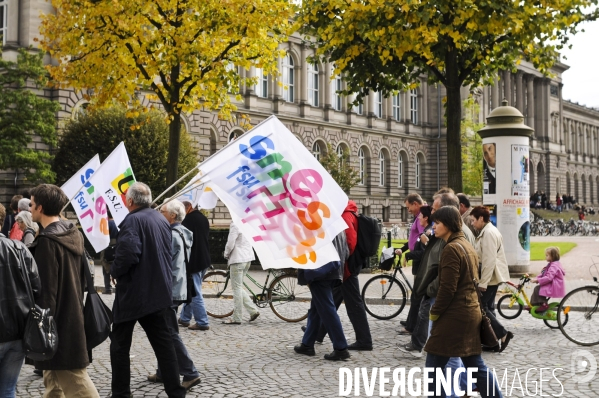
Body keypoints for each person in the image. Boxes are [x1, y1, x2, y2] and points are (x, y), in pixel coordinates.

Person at [110, 182, 186, 398]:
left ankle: (121, 393)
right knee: (164, 346)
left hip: (134, 294)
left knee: (119, 347)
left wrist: (114, 270)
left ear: (130, 201)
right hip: (158, 292)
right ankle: (176, 392)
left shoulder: (132, 220)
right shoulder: (159, 218)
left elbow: (129, 254)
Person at [28, 184, 100, 397]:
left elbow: (46, 291)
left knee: (75, 379)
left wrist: (41, 328)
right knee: (53, 381)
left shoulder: (47, 242)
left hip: (59, 322)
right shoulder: (72, 232)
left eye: (31, 204)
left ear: (40, 208)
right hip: (71, 313)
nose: (30, 208)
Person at [424, 206, 503, 398]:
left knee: (433, 369)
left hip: (454, 317)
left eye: (438, 222)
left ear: (449, 225)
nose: (434, 226)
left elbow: (447, 288)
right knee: (475, 365)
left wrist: (435, 312)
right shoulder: (466, 244)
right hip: (469, 313)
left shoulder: (452, 249)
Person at [147, 199, 202, 389]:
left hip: (168, 290)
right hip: (177, 288)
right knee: (166, 331)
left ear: (172, 215)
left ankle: (190, 372)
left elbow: (164, 264)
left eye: (161, 211)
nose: (158, 214)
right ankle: (164, 371)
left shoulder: (171, 235)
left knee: (169, 333)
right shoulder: (181, 232)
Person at [313, 200, 373, 350]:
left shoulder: (345, 216)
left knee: (353, 304)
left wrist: (342, 260)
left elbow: (350, 242)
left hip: (347, 266)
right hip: (347, 265)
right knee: (333, 298)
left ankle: (364, 341)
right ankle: (318, 332)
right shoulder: (348, 213)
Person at [0, 203, 41, 397]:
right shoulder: (19, 248)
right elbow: (36, 288)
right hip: (18, 331)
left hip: (14, 331)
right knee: (8, 389)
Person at [295, 232, 351, 361]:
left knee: (327, 310)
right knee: (316, 309)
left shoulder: (319, 226)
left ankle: (341, 348)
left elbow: (310, 249)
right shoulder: (336, 225)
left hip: (320, 274)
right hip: (332, 272)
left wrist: (309, 273)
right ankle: (307, 344)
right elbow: (346, 251)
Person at [471, 206, 513, 352]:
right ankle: (492, 341)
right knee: (487, 308)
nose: (472, 223)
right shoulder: (487, 231)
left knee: (481, 308)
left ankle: (502, 334)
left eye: (473, 220)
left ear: (481, 218)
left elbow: (489, 260)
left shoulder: (488, 233)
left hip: (490, 278)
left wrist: (483, 283)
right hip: (492, 277)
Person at [394, 193, 425, 335]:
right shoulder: (418, 218)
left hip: (420, 262)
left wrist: (409, 254)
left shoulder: (421, 218)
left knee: (417, 296)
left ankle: (412, 326)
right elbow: (414, 239)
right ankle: (410, 321)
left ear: (415, 204)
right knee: (416, 295)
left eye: (408, 207)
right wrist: (404, 248)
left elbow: (422, 242)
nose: (408, 210)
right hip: (417, 260)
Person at [179, 201, 211, 331]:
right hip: (204, 259)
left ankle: (202, 321)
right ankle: (185, 318)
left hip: (194, 261)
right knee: (191, 290)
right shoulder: (203, 218)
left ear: (189, 207)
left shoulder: (187, 221)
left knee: (195, 292)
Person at [222, 220, 260, 324]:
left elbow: (230, 243)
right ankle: (253, 311)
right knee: (238, 286)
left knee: (236, 288)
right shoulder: (247, 222)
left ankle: (237, 317)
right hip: (247, 258)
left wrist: (226, 254)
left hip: (238, 259)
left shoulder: (235, 223)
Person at [530, 247, 566, 312]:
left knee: (538, 289)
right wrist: (536, 279)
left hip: (554, 285)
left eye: (547, 255)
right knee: (538, 288)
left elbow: (549, 277)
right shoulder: (551, 264)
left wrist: (538, 280)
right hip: (552, 283)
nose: (545, 257)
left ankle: (543, 304)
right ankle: (534, 306)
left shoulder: (554, 266)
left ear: (552, 256)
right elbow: (543, 274)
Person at [99, 210, 118, 295]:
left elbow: (102, 237)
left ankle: (108, 288)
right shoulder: (118, 224)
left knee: (106, 269)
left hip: (107, 248)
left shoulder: (107, 224)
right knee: (117, 267)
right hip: (117, 248)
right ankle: (118, 286)